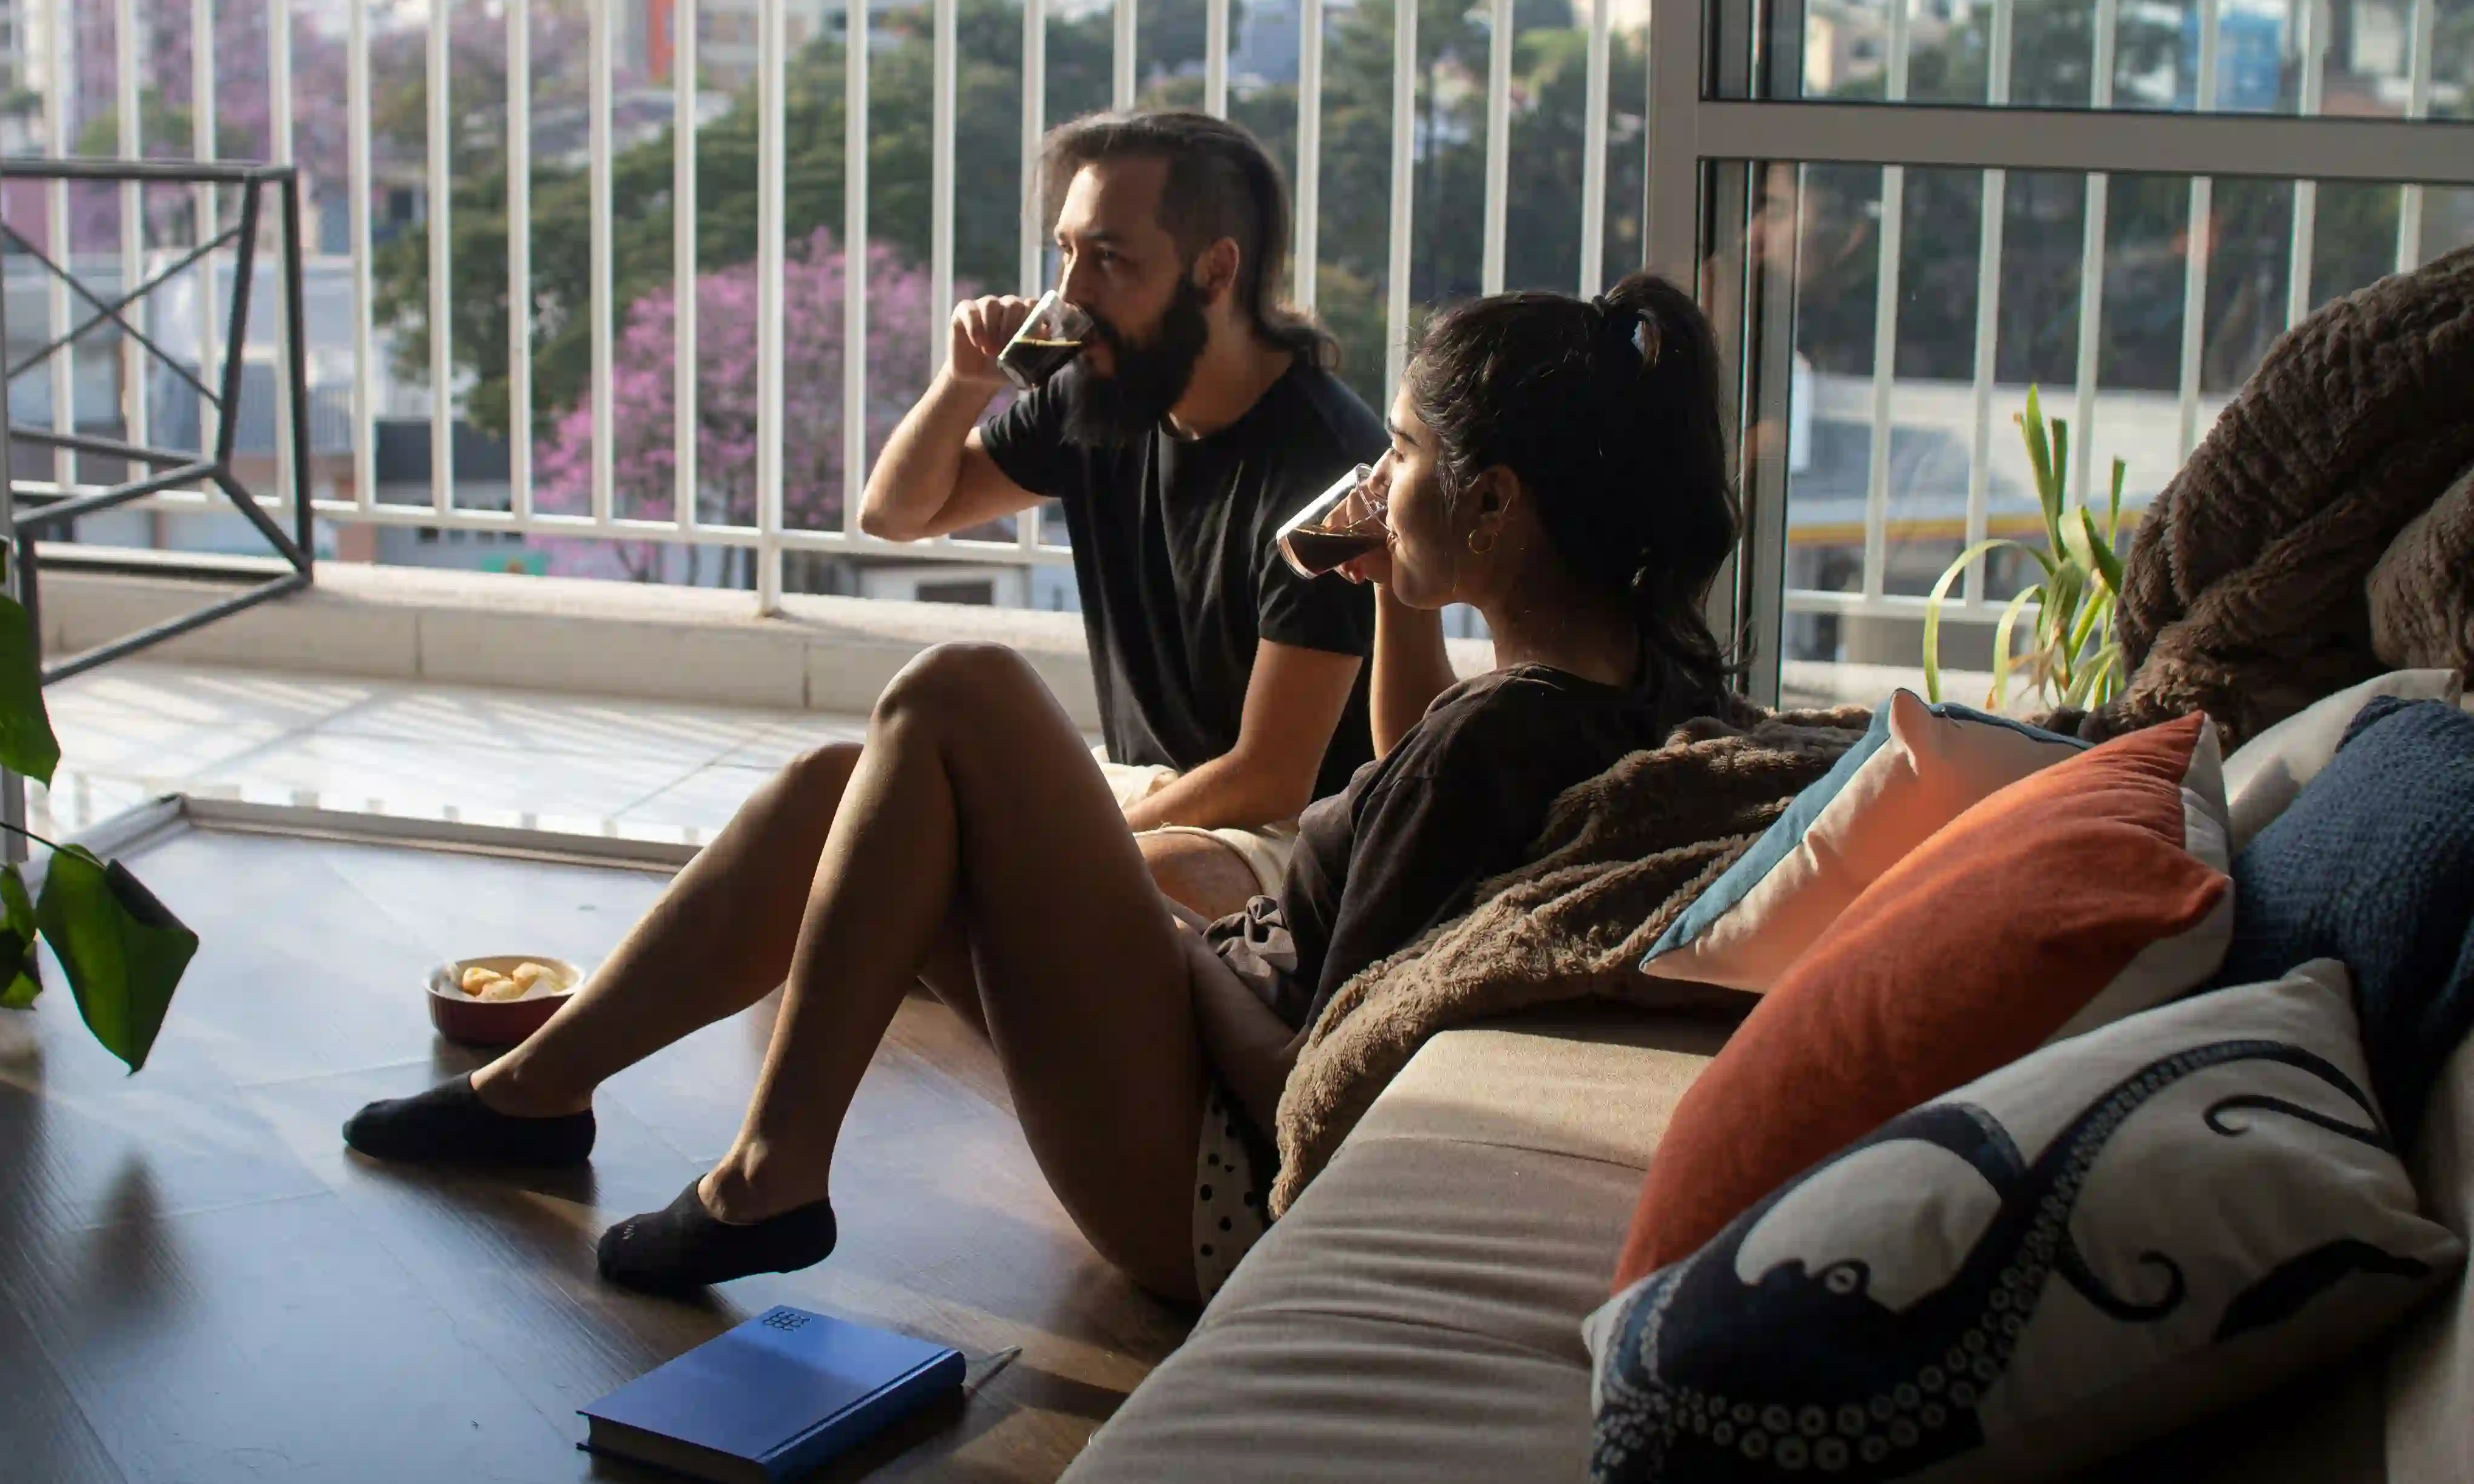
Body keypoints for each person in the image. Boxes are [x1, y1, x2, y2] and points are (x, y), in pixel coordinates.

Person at [345, 275, 1741, 1306]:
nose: (1379, 479)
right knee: (853, 786)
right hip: (1222, 1048)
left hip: (1217, 1173)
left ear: (1495, 506)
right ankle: (543, 1085)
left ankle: (770, 1175)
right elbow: (1417, 788)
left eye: (1410, 459)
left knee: (961, 692)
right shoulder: (1649, 673)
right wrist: (1392, 591)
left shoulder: (1501, 743)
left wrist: (1176, 944)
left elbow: (1319, 1083)